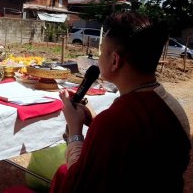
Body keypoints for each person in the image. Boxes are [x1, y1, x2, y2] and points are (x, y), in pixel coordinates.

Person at [51, 12, 191, 193]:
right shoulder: (172, 107)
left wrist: (75, 131)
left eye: (101, 51)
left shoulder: (115, 122)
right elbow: (135, 150)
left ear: (115, 61)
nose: (98, 57)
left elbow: (77, 184)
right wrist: (93, 119)